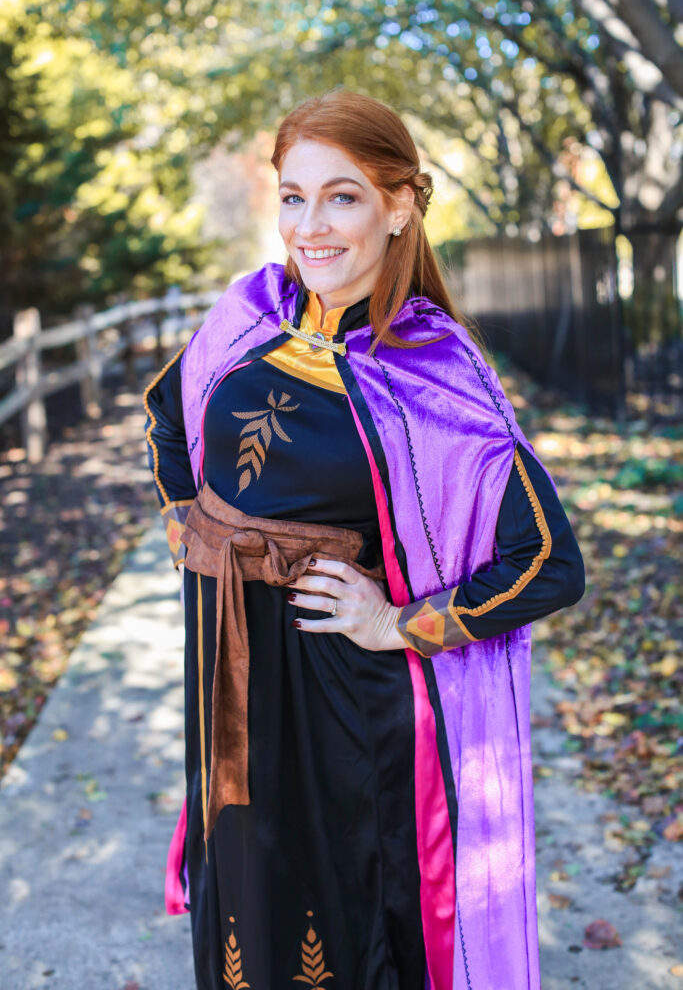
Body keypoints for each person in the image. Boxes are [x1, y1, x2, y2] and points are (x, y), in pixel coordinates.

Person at [144, 89, 584, 990]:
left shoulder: (432, 369)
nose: (311, 225)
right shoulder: (250, 315)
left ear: (399, 206)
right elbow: (166, 418)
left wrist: (399, 624)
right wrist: (197, 529)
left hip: (348, 711)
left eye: (341, 196)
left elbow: (546, 562)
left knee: (347, 937)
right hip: (231, 689)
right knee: (244, 917)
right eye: (293, 194)